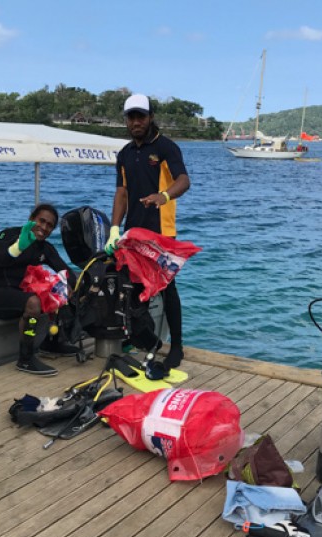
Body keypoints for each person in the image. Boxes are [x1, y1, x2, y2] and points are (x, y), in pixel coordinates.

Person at [106, 93, 191, 368]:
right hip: (134, 231)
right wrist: (114, 229)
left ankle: (176, 346)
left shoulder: (166, 148)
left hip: (162, 231)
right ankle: (143, 340)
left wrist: (163, 196)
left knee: (167, 288)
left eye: (141, 116)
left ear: (151, 117)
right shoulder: (125, 154)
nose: (136, 122)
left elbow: (184, 180)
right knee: (133, 287)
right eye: (131, 117)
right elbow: (121, 193)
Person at [0, 204, 80, 376]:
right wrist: (18, 247)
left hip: (20, 295)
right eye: (41, 221)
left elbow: (66, 271)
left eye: (49, 225)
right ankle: (26, 359)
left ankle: (51, 343)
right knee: (34, 302)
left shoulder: (45, 248)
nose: (44, 227)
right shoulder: (9, 235)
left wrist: (69, 286)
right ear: (31, 219)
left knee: (57, 290)